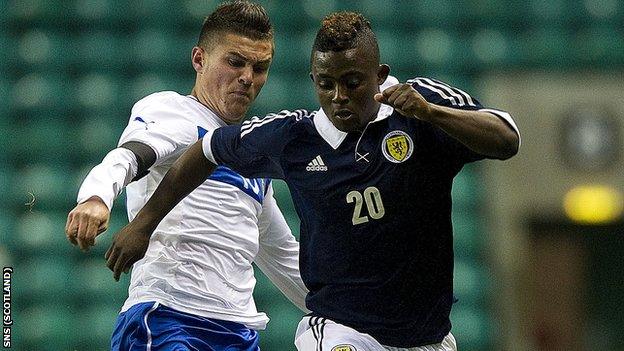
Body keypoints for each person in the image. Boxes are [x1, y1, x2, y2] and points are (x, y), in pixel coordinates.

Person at [105, 11, 521, 351]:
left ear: (380, 74)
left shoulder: (420, 105)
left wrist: (432, 114)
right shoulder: (294, 137)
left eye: (352, 82)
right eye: (326, 84)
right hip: (342, 332)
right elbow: (206, 150)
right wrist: (144, 223)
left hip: (427, 338)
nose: (339, 96)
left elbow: (506, 139)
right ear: (313, 82)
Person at [64, 1, 308, 350]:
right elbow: (129, 156)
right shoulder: (173, 111)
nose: (247, 77)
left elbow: (282, 257)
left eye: (260, 67)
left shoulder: (251, 152)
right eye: (235, 62)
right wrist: (96, 197)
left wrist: (356, 313)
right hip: (168, 316)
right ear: (199, 59)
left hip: (238, 332)